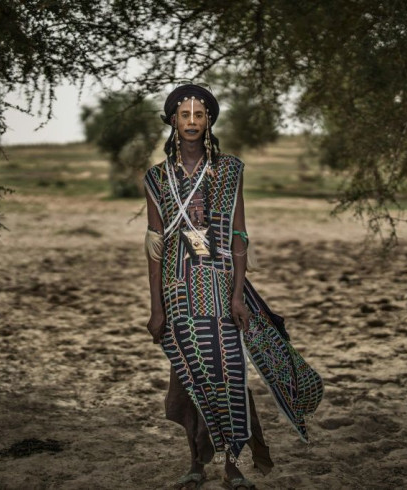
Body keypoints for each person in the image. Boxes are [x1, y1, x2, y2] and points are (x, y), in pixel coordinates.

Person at [144, 83, 324, 490]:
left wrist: (239, 294)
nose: (192, 122)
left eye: (199, 115)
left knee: (228, 374)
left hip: (221, 287)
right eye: (184, 115)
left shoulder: (229, 170)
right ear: (173, 120)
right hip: (178, 288)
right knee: (190, 378)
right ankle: (194, 462)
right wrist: (156, 309)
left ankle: (232, 465)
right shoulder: (157, 178)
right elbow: (155, 244)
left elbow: (239, 235)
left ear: (209, 122)